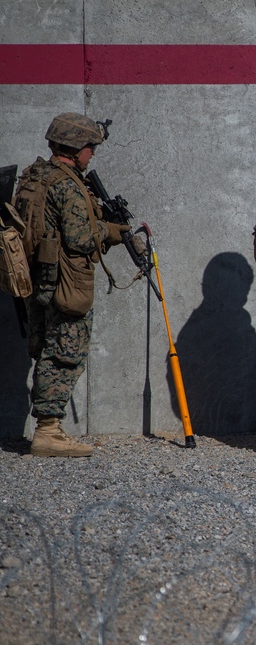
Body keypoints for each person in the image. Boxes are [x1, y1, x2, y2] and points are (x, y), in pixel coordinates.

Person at [19, 112, 130, 457]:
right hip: (65, 281)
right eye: (89, 147)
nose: (92, 154)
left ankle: (48, 427)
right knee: (65, 352)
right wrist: (111, 230)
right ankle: (48, 431)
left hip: (36, 278)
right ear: (75, 147)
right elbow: (82, 239)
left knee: (45, 348)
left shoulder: (34, 176)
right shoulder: (67, 186)